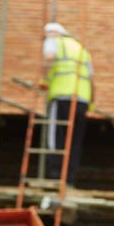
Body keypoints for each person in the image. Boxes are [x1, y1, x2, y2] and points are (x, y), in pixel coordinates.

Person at [40, 22, 94, 187]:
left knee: (56, 137)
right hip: (82, 100)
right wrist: (91, 101)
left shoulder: (54, 42)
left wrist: (44, 79)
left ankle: (55, 177)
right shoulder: (81, 49)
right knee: (74, 141)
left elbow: (49, 58)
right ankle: (69, 179)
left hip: (61, 96)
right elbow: (92, 78)